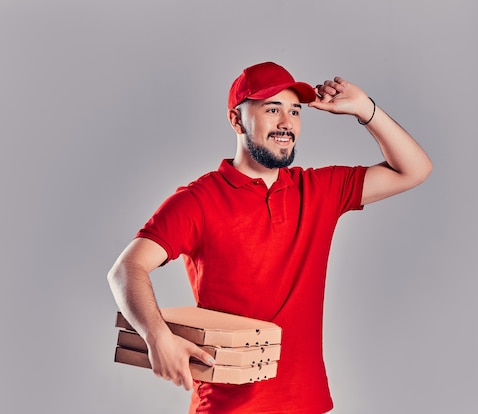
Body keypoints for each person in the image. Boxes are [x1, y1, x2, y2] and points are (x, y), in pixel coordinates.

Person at [107, 61, 432, 414]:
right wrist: (157, 338)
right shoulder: (198, 200)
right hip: (228, 408)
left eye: (294, 111)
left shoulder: (319, 189)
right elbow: (127, 269)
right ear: (236, 120)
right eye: (272, 109)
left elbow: (413, 169)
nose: (286, 123)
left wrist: (365, 109)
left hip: (308, 403)